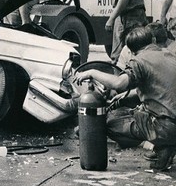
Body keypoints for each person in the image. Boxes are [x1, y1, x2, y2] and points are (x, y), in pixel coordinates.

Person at [75, 26, 176, 172]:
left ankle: (165, 144)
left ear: (131, 51)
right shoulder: (170, 55)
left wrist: (92, 72)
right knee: (139, 110)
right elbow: (161, 90)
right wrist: (126, 97)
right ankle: (167, 145)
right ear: (153, 40)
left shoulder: (139, 61)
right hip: (172, 122)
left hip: (165, 127)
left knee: (109, 122)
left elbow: (119, 84)